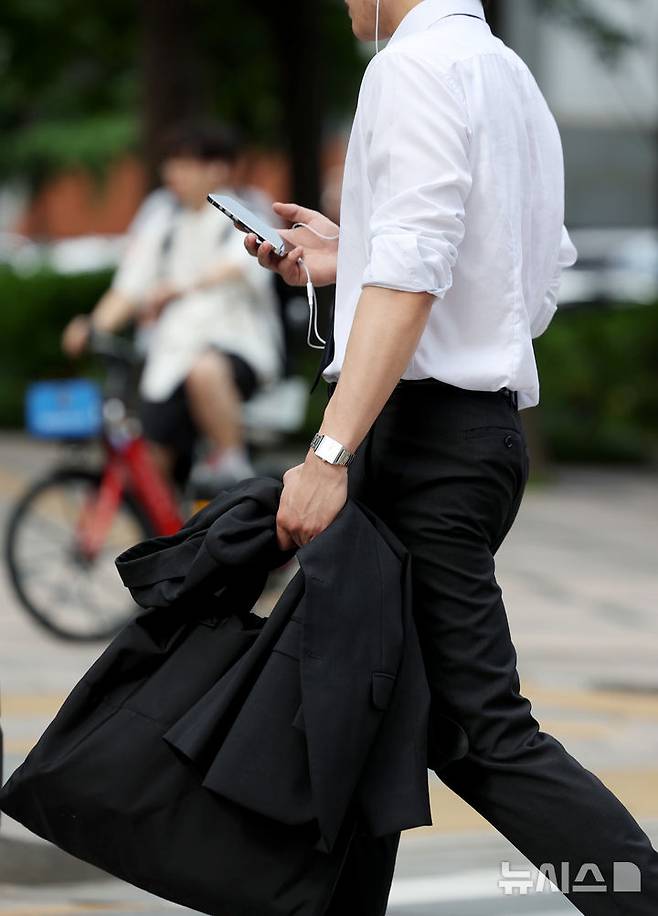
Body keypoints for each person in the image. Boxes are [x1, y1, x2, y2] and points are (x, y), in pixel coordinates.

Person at [244, 1, 658, 913]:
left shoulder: (409, 67)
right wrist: (349, 259)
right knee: (365, 710)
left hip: (421, 445)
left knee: (480, 731)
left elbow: (418, 270)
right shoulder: (510, 75)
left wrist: (328, 449)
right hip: (473, 436)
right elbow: (526, 271)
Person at [62, 121, 283, 487]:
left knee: (205, 370)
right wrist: (92, 326)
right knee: (152, 465)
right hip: (170, 357)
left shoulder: (246, 211)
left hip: (235, 347)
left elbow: (238, 265)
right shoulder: (162, 219)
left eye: (185, 163)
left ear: (218, 169)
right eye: (172, 163)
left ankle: (234, 471)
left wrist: (177, 289)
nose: (172, 174)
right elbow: (129, 288)